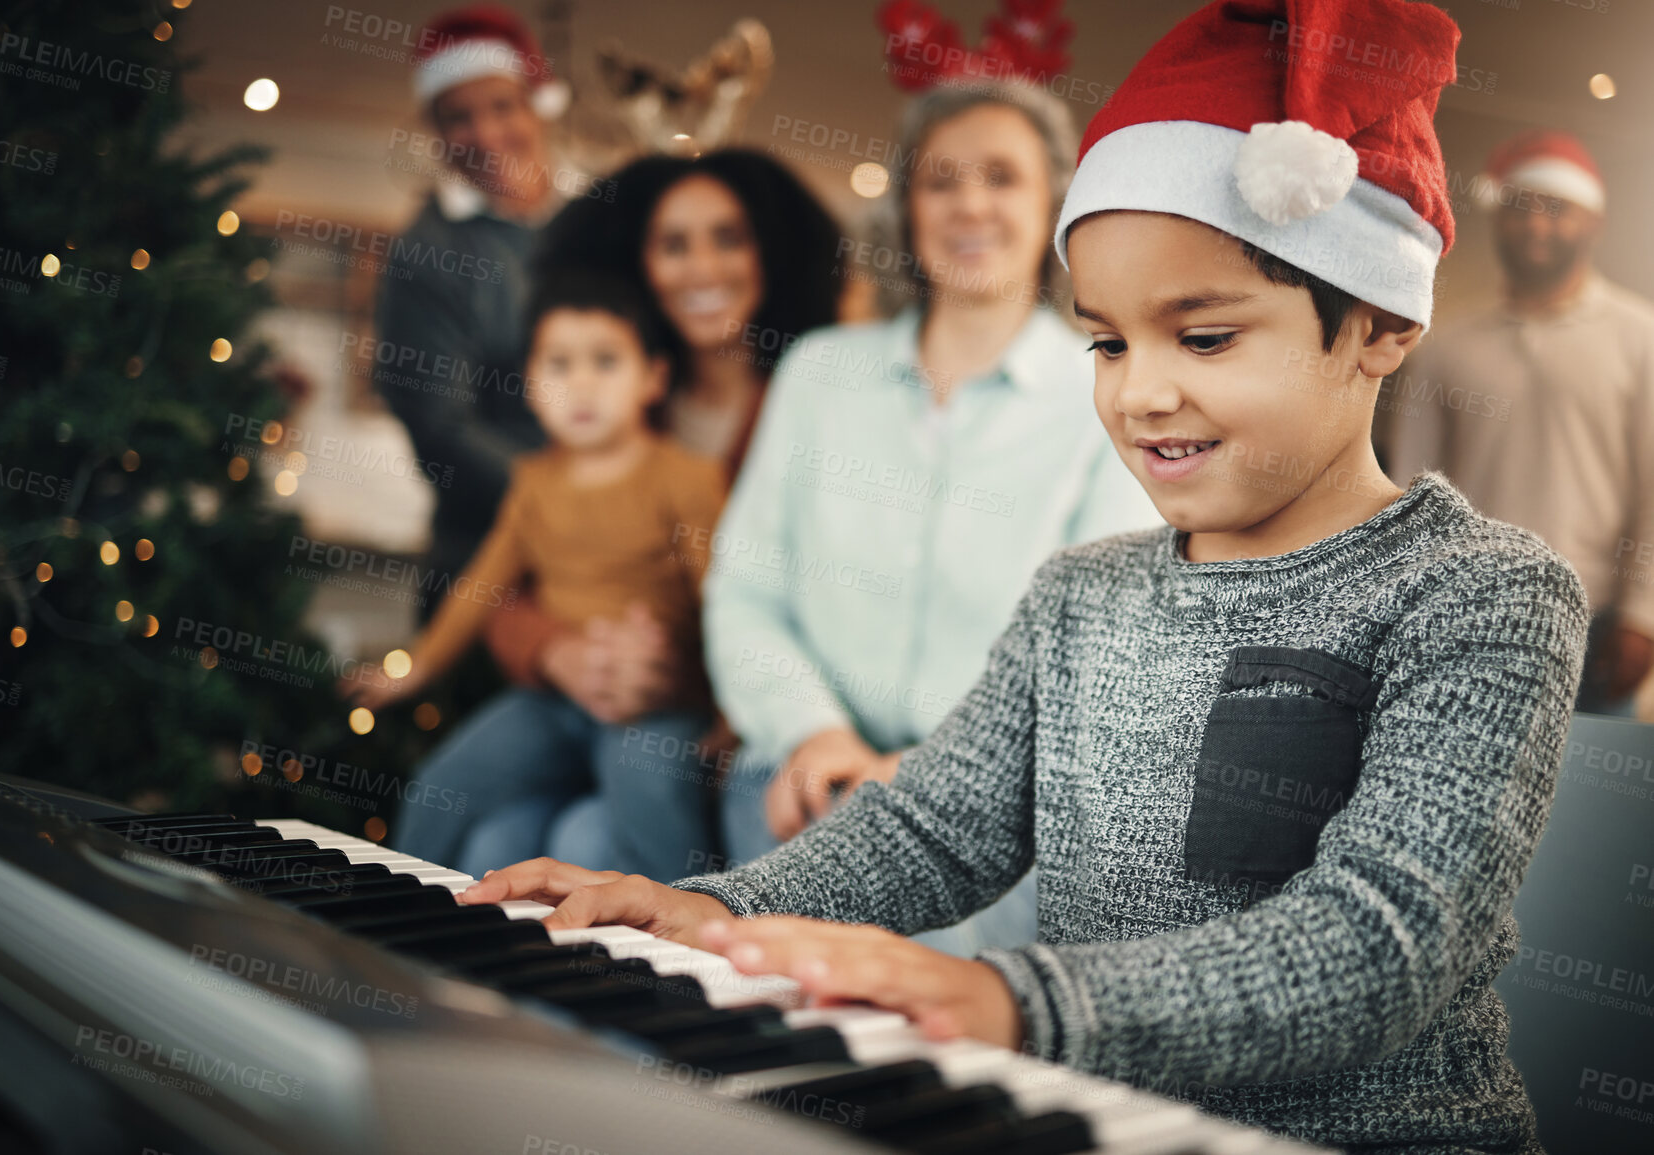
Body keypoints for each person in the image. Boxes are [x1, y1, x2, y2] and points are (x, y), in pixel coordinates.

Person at [457, 2, 1591, 1151]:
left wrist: (1016, 1002)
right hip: (1098, 1119)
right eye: (1106, 341)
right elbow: (935, 832)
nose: (1139, 393)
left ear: (1381, 324)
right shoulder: (1080, 595)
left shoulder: (1480, 594)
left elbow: (1380, 946)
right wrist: (716, 906)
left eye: (1203, 339)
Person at [705, 79, 1162, 956]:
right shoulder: (817, 374)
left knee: (923, 1017)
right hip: (801, 770)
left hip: (997, 799)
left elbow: (1096, 643)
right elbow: (745, 595)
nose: (970, 205)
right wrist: (816, 733)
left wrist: (927, 775)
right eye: (941, 180)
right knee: (767, 993)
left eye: (1001, 177)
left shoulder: (1108, 391)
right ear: (908, 207)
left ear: (1053, 208)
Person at [349, 270, 727, 881]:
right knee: (439, 786)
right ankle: (399, 924)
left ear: (653, 378)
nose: (580, 384)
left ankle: (687, 936)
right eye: (559, 364)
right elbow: (481, 587)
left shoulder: (686, 478)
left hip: (651, 706)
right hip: (553, 700)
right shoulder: (534, 484)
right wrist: (414, 668)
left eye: (604, 362)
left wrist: (730, 716)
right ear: (530, 384)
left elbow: (727, 603)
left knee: (650, 793)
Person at [480, 152, 844, 743]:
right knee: (498, 836)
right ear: (640, 263)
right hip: (589, 712)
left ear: (769, 254)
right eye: (673, 245)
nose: (702, 268)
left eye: (728, 239)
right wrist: (557, 653)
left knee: (584, 839)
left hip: (748, 733)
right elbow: (511, 580)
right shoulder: (606, 402)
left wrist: (685, 682)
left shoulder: (815, 406)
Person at [1381, 128, 1654, 715]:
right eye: (1520, 208)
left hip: (1597, 625)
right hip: (1464, 620)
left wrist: (1644, 616)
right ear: (1497, 219)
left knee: (1580, 800)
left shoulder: (1642, 337)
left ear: (1594, 222)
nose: (1537, 226)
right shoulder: (1445, 346)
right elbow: (1411, 489)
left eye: (1557, 209)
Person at [374, 4, 571, 599]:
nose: (484, 134)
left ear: (537, 106)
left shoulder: (594, 220)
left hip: (611, 558)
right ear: (435, 131)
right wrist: (577, 504)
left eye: (502, 106)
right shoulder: (426, 253)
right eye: (458, 117)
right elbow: (440, 429)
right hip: (487, 564)